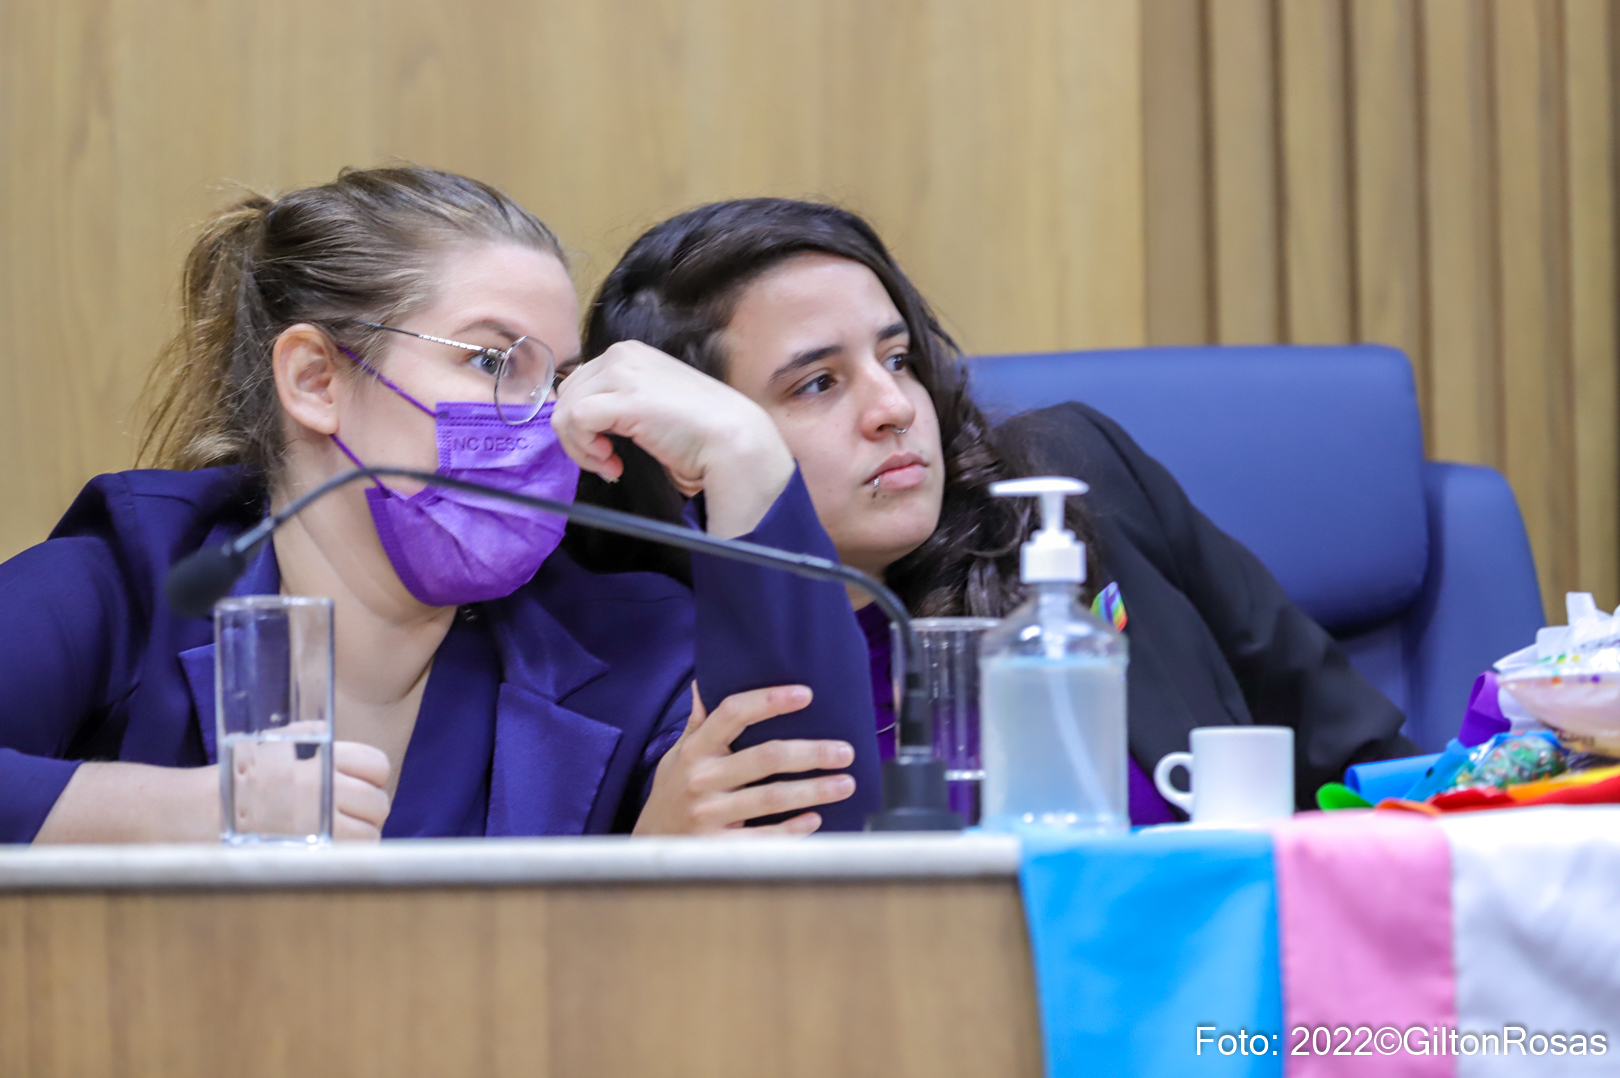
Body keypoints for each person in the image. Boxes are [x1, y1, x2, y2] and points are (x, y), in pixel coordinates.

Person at [0, 170, 878, 844]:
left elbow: (827, 832)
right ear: (316, 380)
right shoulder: (136, 574)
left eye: (558, 381)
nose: (544, 422)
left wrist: (747, 454)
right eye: (493, 363)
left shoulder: (623, 641)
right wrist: (172, 811)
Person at [567, 197, 1421, 822]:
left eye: (898, 359)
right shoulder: (647, 679)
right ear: (691, 453)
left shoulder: (1074, 486)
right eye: (818, 383)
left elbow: (1363, 764)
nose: (894, 408)